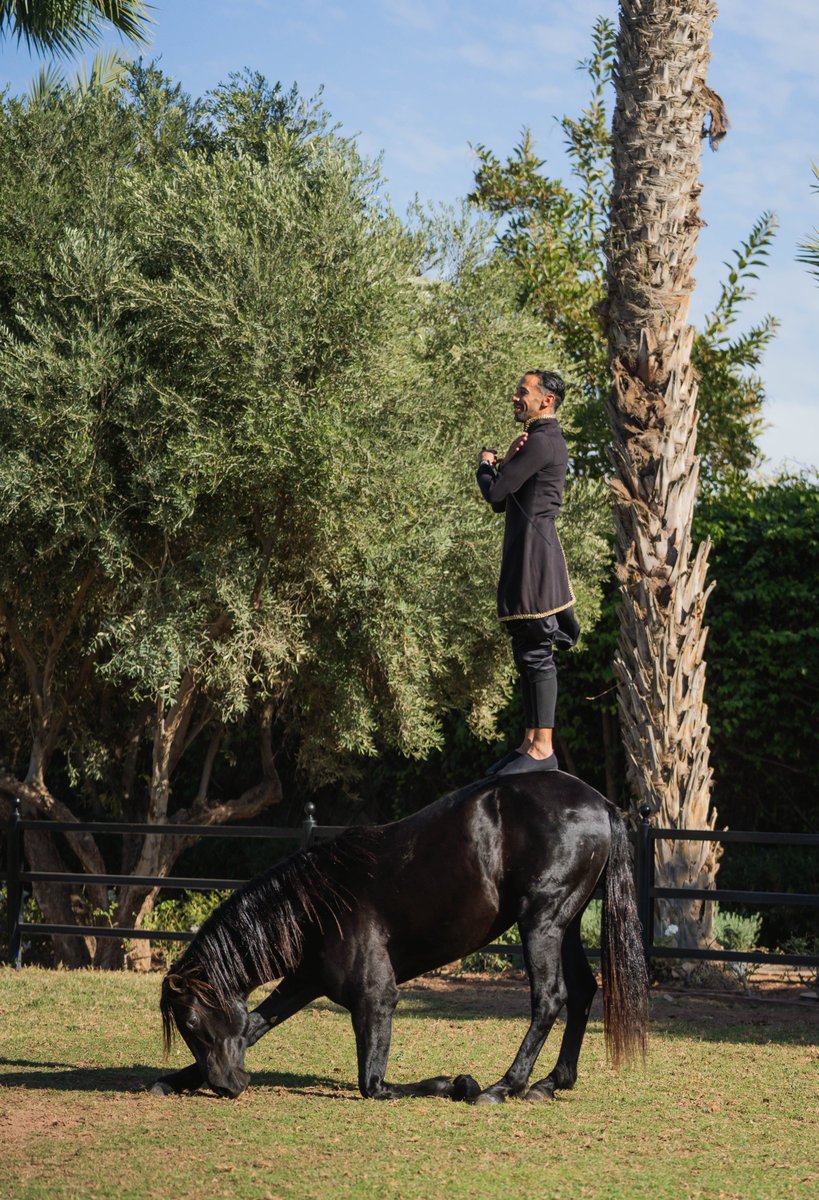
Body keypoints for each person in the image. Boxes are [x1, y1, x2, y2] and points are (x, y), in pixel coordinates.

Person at [476, 369, 578, 776]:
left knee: (537, 651)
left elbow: (496, 493)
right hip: (527, 552)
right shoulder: (537, 441)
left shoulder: (542, 441)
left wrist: (486, 465)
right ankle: (530, 741)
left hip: (536, 557)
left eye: (523, 391)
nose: (516, 397)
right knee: (526, 648)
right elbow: (504, 500)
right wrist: (507, 459)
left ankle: (542, 747)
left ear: (546, 400)